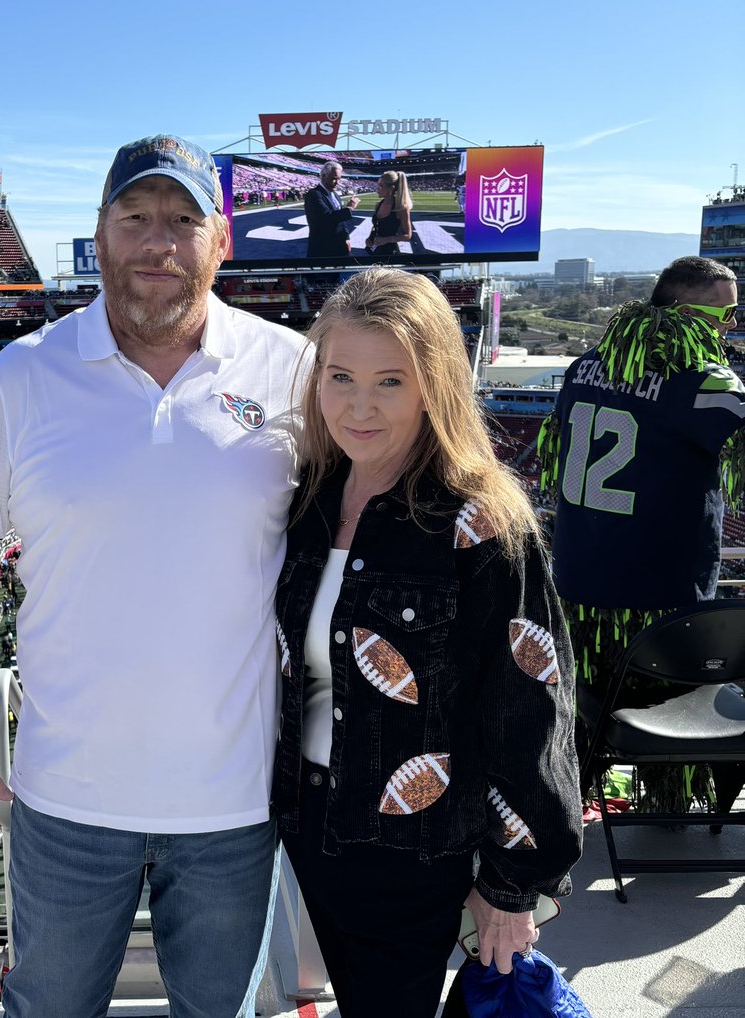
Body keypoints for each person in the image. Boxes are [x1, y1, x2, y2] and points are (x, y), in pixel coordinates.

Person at [0, 133, 307, 1018]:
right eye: (134, 218)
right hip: (65, 800)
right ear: (99, 234)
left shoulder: (290, 369)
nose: (156, 244)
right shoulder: (24, 374)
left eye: (182, 220)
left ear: (222, 242)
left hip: (234, 804)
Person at [273, 268, 583, 1016]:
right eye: (340, 376)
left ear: (434, 385)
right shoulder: (309, 497)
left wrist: (512, 885)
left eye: (390, 381)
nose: (358, 405)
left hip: (414, 847)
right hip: (310, 822)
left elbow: (528, 707)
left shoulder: (479, 525)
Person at [539, 255, 743, 812]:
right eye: (721, 316)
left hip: (579, 590)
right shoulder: (700, 380)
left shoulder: (584, 367)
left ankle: (571, 800)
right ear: (681, 313)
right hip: (664, 605)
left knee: (585, 710)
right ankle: (666, 805)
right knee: (669, 708)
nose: (728, 328)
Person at [304, 160, 360, 259]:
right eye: (334, 179)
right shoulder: (314, 194)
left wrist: (346, 237)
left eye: (339, 179)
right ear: (324, 175)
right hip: (323, 248)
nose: (337, 183)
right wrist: (349, 208)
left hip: (338, 246)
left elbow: (341, 221)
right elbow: (325, 217)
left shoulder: (335, 194)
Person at [365, 169, 414, 258]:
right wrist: (369, 238)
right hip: (375, 251)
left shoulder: (401, 208)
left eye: (381, 186)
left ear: (391, 189)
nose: (377, 189)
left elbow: (407, 235)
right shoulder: (378, 205)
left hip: (390, 253)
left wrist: (386, 240)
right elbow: (376, 226)